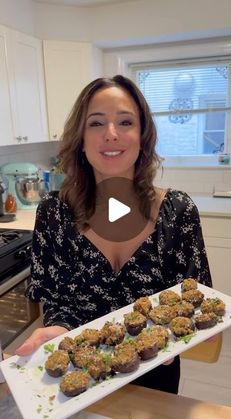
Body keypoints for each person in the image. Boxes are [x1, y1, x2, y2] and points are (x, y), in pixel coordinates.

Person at [16, 75, 212, 394]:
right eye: (96, 123)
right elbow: (57, 301)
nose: (111, 134)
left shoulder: (177, 213)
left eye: (125, 122)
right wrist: (56, 328)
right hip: (78, 383)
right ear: (80, 139)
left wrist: (177, 334)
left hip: (155, 382)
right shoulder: (53, 214)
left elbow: (197, 302)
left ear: (142, 136)